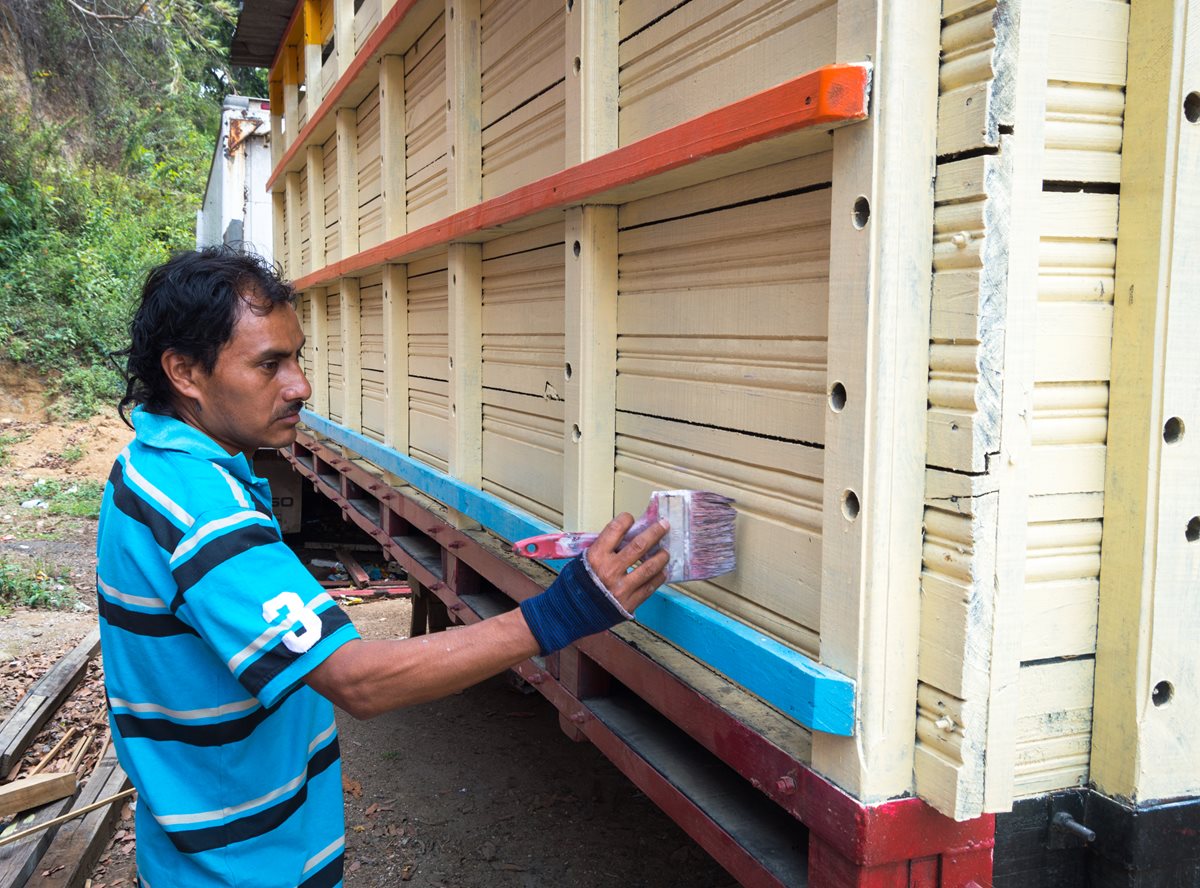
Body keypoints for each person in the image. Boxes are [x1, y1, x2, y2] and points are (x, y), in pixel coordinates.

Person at [96, 246, 669, 887]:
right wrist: (569, 610)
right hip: (242, 866)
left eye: (297, 356)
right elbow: (360, 682)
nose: (300, 385)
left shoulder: (145, 466)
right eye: (269, 364)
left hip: (198, 843)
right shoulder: (201, 511)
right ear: (185, 372)